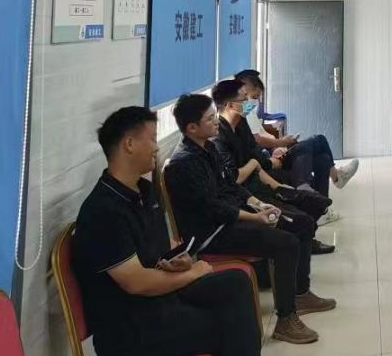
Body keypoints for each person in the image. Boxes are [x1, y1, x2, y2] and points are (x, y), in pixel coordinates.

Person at [72, 107, 261, 356]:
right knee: (231, 323)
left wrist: (182, 261)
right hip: (129, 327)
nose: (157, 147)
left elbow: (160, 250)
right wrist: (193, 273)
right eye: (152, 139)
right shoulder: (104, 210)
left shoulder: (144, 190)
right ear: (129, 144)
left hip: (159, 300)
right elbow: (136, 283)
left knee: (236, 283)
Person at [164, 94, 334, 345]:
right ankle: (286, 320)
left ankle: (300, 293)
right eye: (210, 119)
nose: (216, 121)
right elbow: (212, 208)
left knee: (303, 224)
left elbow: (230, 185)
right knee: (286, 243)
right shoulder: (184, 163)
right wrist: (255, 218)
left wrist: (258, 204)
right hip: (211, 234)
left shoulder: (207, 148)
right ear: (191, 128)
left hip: (230, 218)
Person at [212, 79, 334, 255]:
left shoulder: (241, 124)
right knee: (305, 213)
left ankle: (305, 236)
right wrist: (258, 166)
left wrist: (276, 183)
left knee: (319, 194)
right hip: (249, 194)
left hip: (261, 178)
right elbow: (236, 177)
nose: (249, 102)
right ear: (231, 105)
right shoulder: (219, 138)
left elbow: (255, 155)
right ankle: (303, 238)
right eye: (245, 98)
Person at [236, 70, 358, 224]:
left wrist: (278, 147)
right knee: (318, 140)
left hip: (275, 154)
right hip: (269, 162)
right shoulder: (242, 117)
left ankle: (321, 211)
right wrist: (281, 143)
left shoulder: (249, 113)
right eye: (253, 97)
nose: (255, 102)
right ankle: (328, 179)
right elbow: (258, 141)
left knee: (322, 159)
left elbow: (261, 138)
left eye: (257, 98)